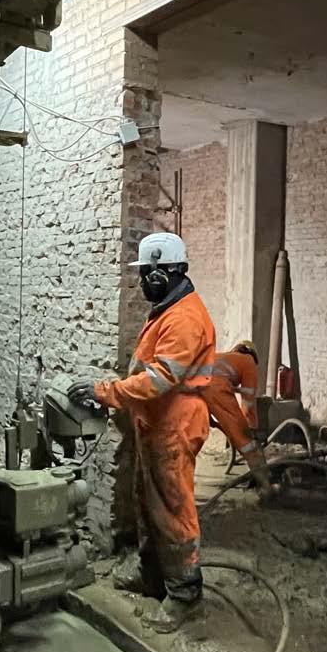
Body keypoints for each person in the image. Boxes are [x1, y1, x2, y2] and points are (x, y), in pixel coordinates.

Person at [68, 232, 215, 613]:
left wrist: (106, 392)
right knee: (148, 503)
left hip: (175, 422)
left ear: (164, 273)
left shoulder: (184, 318)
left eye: (147, 274)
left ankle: (184, 595)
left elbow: (159, 378)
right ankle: (152, 575)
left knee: (172, 509)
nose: (142, 282)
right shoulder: (168, 309)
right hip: (157, 421)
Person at [203, 340, 276, 498]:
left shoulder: (222, 357)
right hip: (216, 389)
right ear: (253, 355)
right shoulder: (249, 362)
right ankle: (266, 488)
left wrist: (211, 419)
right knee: (248, 445)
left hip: (192, 387)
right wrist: (251, 430)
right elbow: (249, 403)